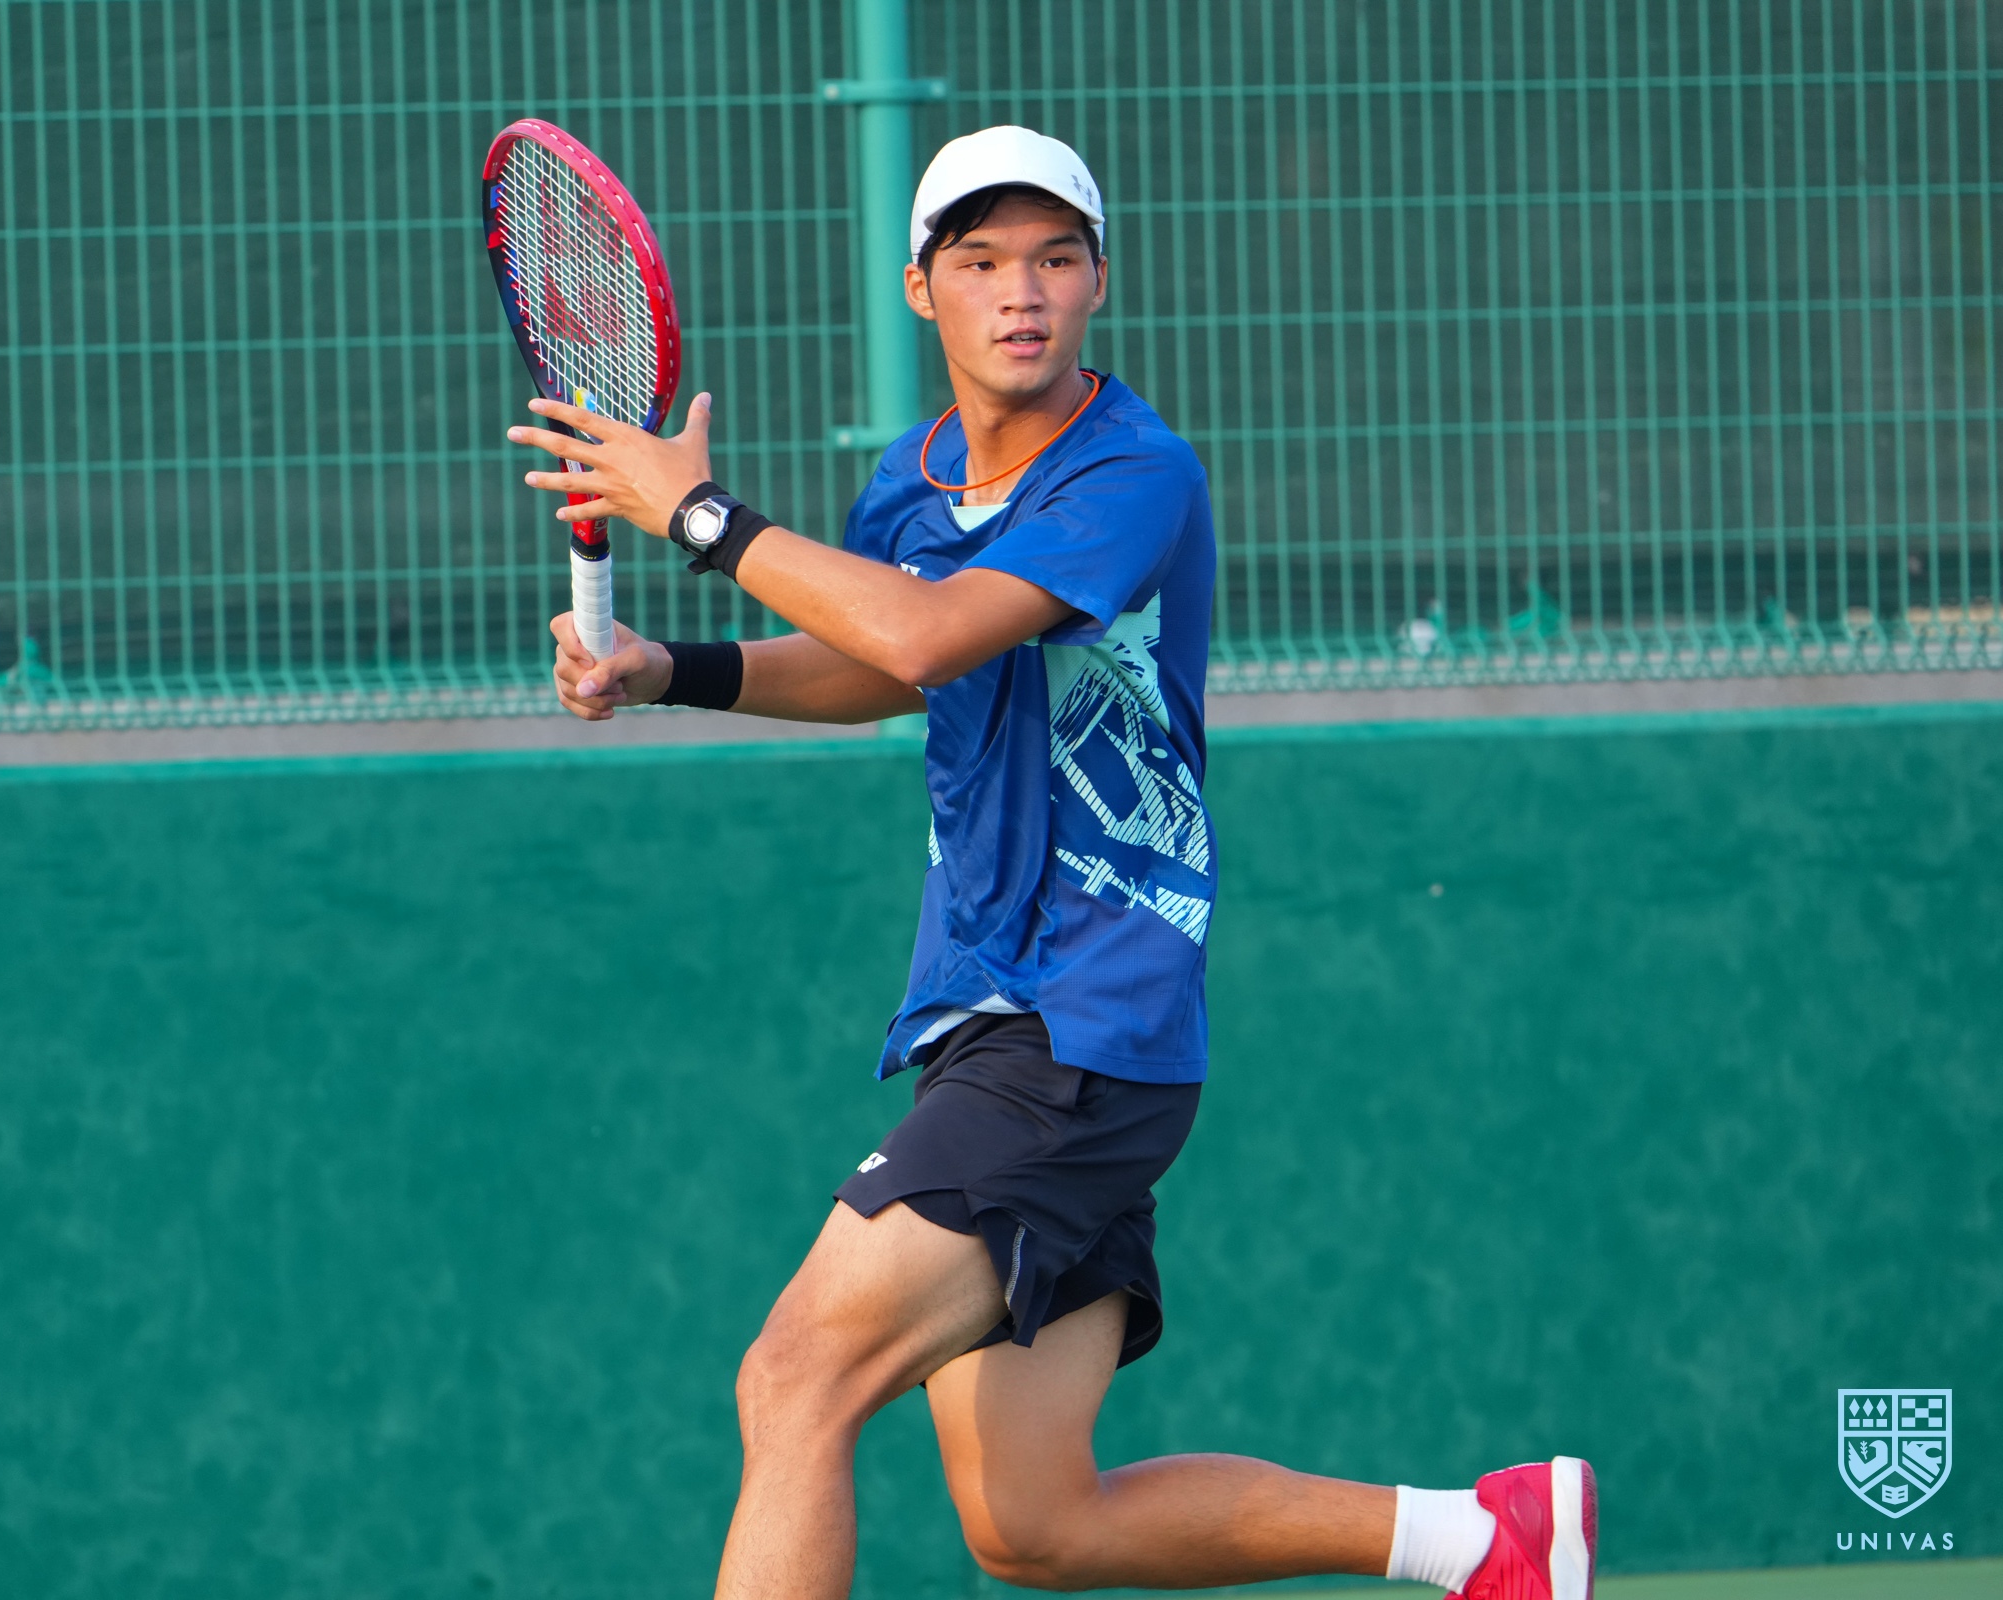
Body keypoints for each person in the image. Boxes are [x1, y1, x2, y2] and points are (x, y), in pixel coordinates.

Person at [505, 125, 1596, 1600]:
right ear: (921, 290)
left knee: (796, 1377)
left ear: (1098, 282)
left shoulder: (1134, 472)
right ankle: (1485, 1539)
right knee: (1033, 1523)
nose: (1020, 291)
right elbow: (887, 667)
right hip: (988, 1016)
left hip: (1084, 1016)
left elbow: (925, 632)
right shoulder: (909, 484)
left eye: (1054, 258)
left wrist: (700, 515)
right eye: (980, 262)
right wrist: (671, 670)